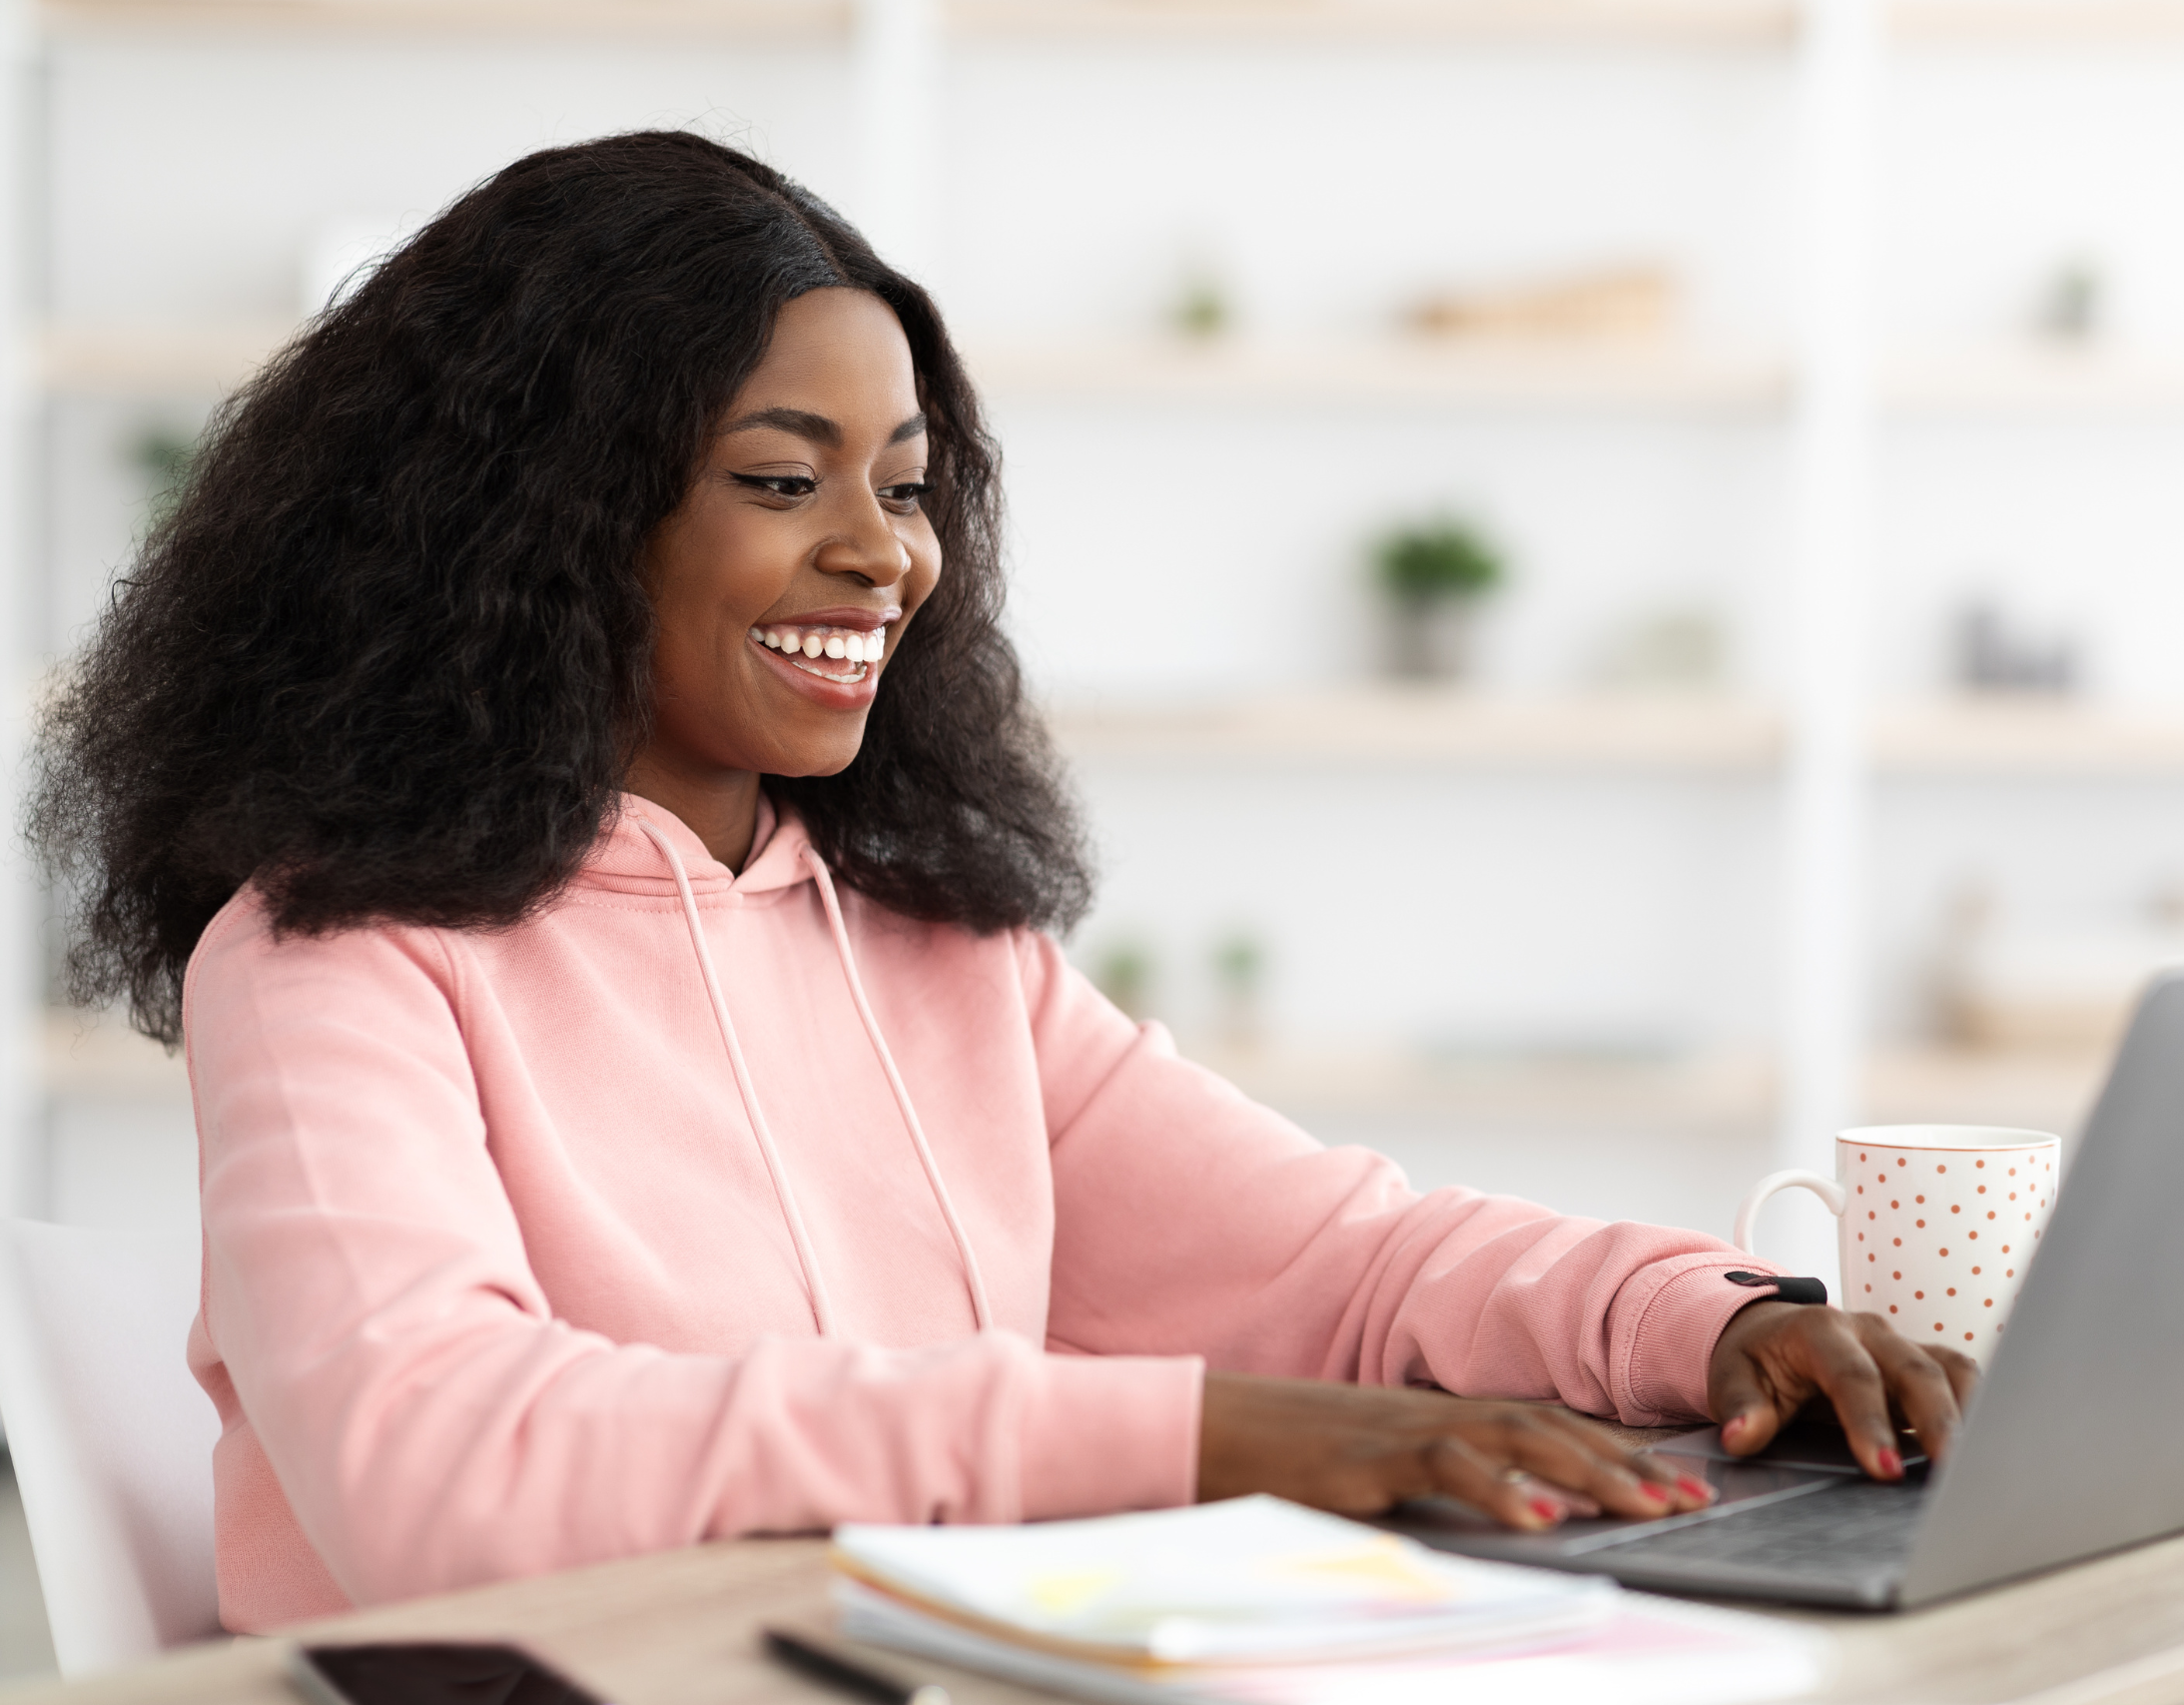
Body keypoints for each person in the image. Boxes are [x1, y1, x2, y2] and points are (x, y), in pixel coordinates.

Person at [32, 132, 1973, 1633]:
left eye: (903, 481)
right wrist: (1191, 1434)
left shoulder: (938, 953)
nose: (887, 553)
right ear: (533, 530)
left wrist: (1711, 1322)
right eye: (782, 480)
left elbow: (1340, 1262)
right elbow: (443, 1465)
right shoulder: (329, 964)